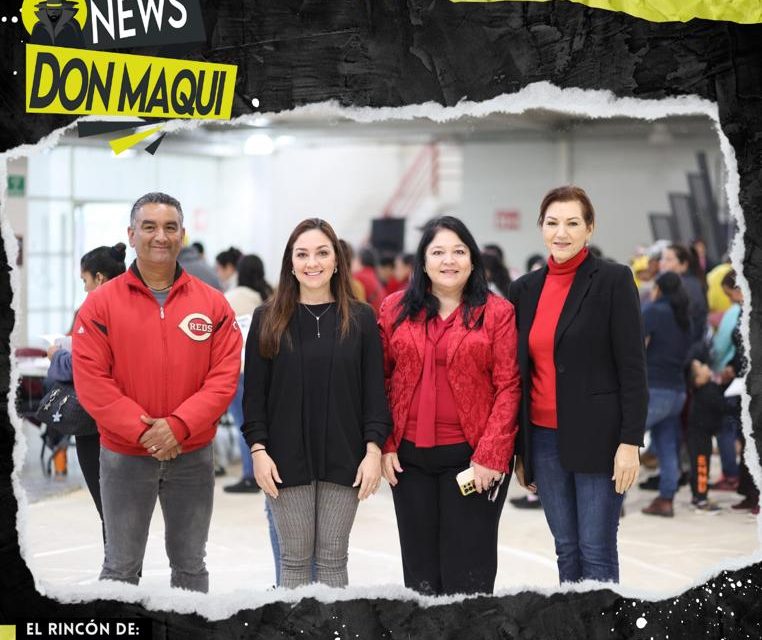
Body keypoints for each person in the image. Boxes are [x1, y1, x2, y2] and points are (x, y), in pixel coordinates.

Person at [73, 192, 242, 591]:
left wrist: (179, 426)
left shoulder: (214, 305)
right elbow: (92, 381)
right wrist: (145, 431)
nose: (160, 236)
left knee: (190, 567)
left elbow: (223, 377)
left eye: (169, 227)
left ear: (182, 234)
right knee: (120, 567)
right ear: (131, 235)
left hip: (193, 455)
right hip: (124, 457)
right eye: (149, 227)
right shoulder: (100, 306)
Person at [242, 218, 391, 589]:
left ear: (337, 261)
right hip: (284, 460)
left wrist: (373, 451)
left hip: (346, 459)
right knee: (293, 563)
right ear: (290, 263)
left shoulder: (361, 319)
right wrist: (258, 451)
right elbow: (254, 396)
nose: (313, 262)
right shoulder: (267, 317)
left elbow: (375, 392)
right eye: (302, 254)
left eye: (322, 253)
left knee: (332, 562)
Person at [509, 185, 647, 584]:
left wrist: (630, 443)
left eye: (572, 223)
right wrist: (522, 450)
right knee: (566, 548)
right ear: (541, 228)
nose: (561, 233)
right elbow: (520, 372)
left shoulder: (614, 280)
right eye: (552, 223)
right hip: (544, 440)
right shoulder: (525, 289)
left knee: (596, 549)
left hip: (601, 439)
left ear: (590, 228)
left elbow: (633, 369)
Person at [379, 215, 520, 596]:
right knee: (420, 578)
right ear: (422, 261)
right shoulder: (394, 310)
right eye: (438, 251)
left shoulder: (497, 313)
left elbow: (509, 386)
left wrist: (491, 454)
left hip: (472, 462)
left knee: (468, 578)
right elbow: (381, 380)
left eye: (459, 251)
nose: (449, 260)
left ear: (473, 260)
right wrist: (386, 443)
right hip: (408, 461)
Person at [46, 243, 127, 543]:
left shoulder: (93, 310)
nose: (84, 289)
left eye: (85, 281)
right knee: (125, 505)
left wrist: (56, 354)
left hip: (94, 418)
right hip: (129, 416)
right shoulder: (138, 305)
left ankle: (118, 574)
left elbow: (79, 366)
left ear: (100, 278)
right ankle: (124, 570)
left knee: (108, 506)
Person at [640, 272, 693, 517]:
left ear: (658, 289)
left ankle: (612, 504)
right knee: (667, 445)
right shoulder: (685, 318)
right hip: (678, 391)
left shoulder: (654, 311)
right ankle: (666, 499)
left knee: (618, 441)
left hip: (654, 389)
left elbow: (632, 342)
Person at [224, 254, 273, 494]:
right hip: (265, 369)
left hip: (237, 369)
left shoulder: (230, 298)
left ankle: (249, 474)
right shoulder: (268, 296)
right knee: (261, 422)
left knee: (244, 424)